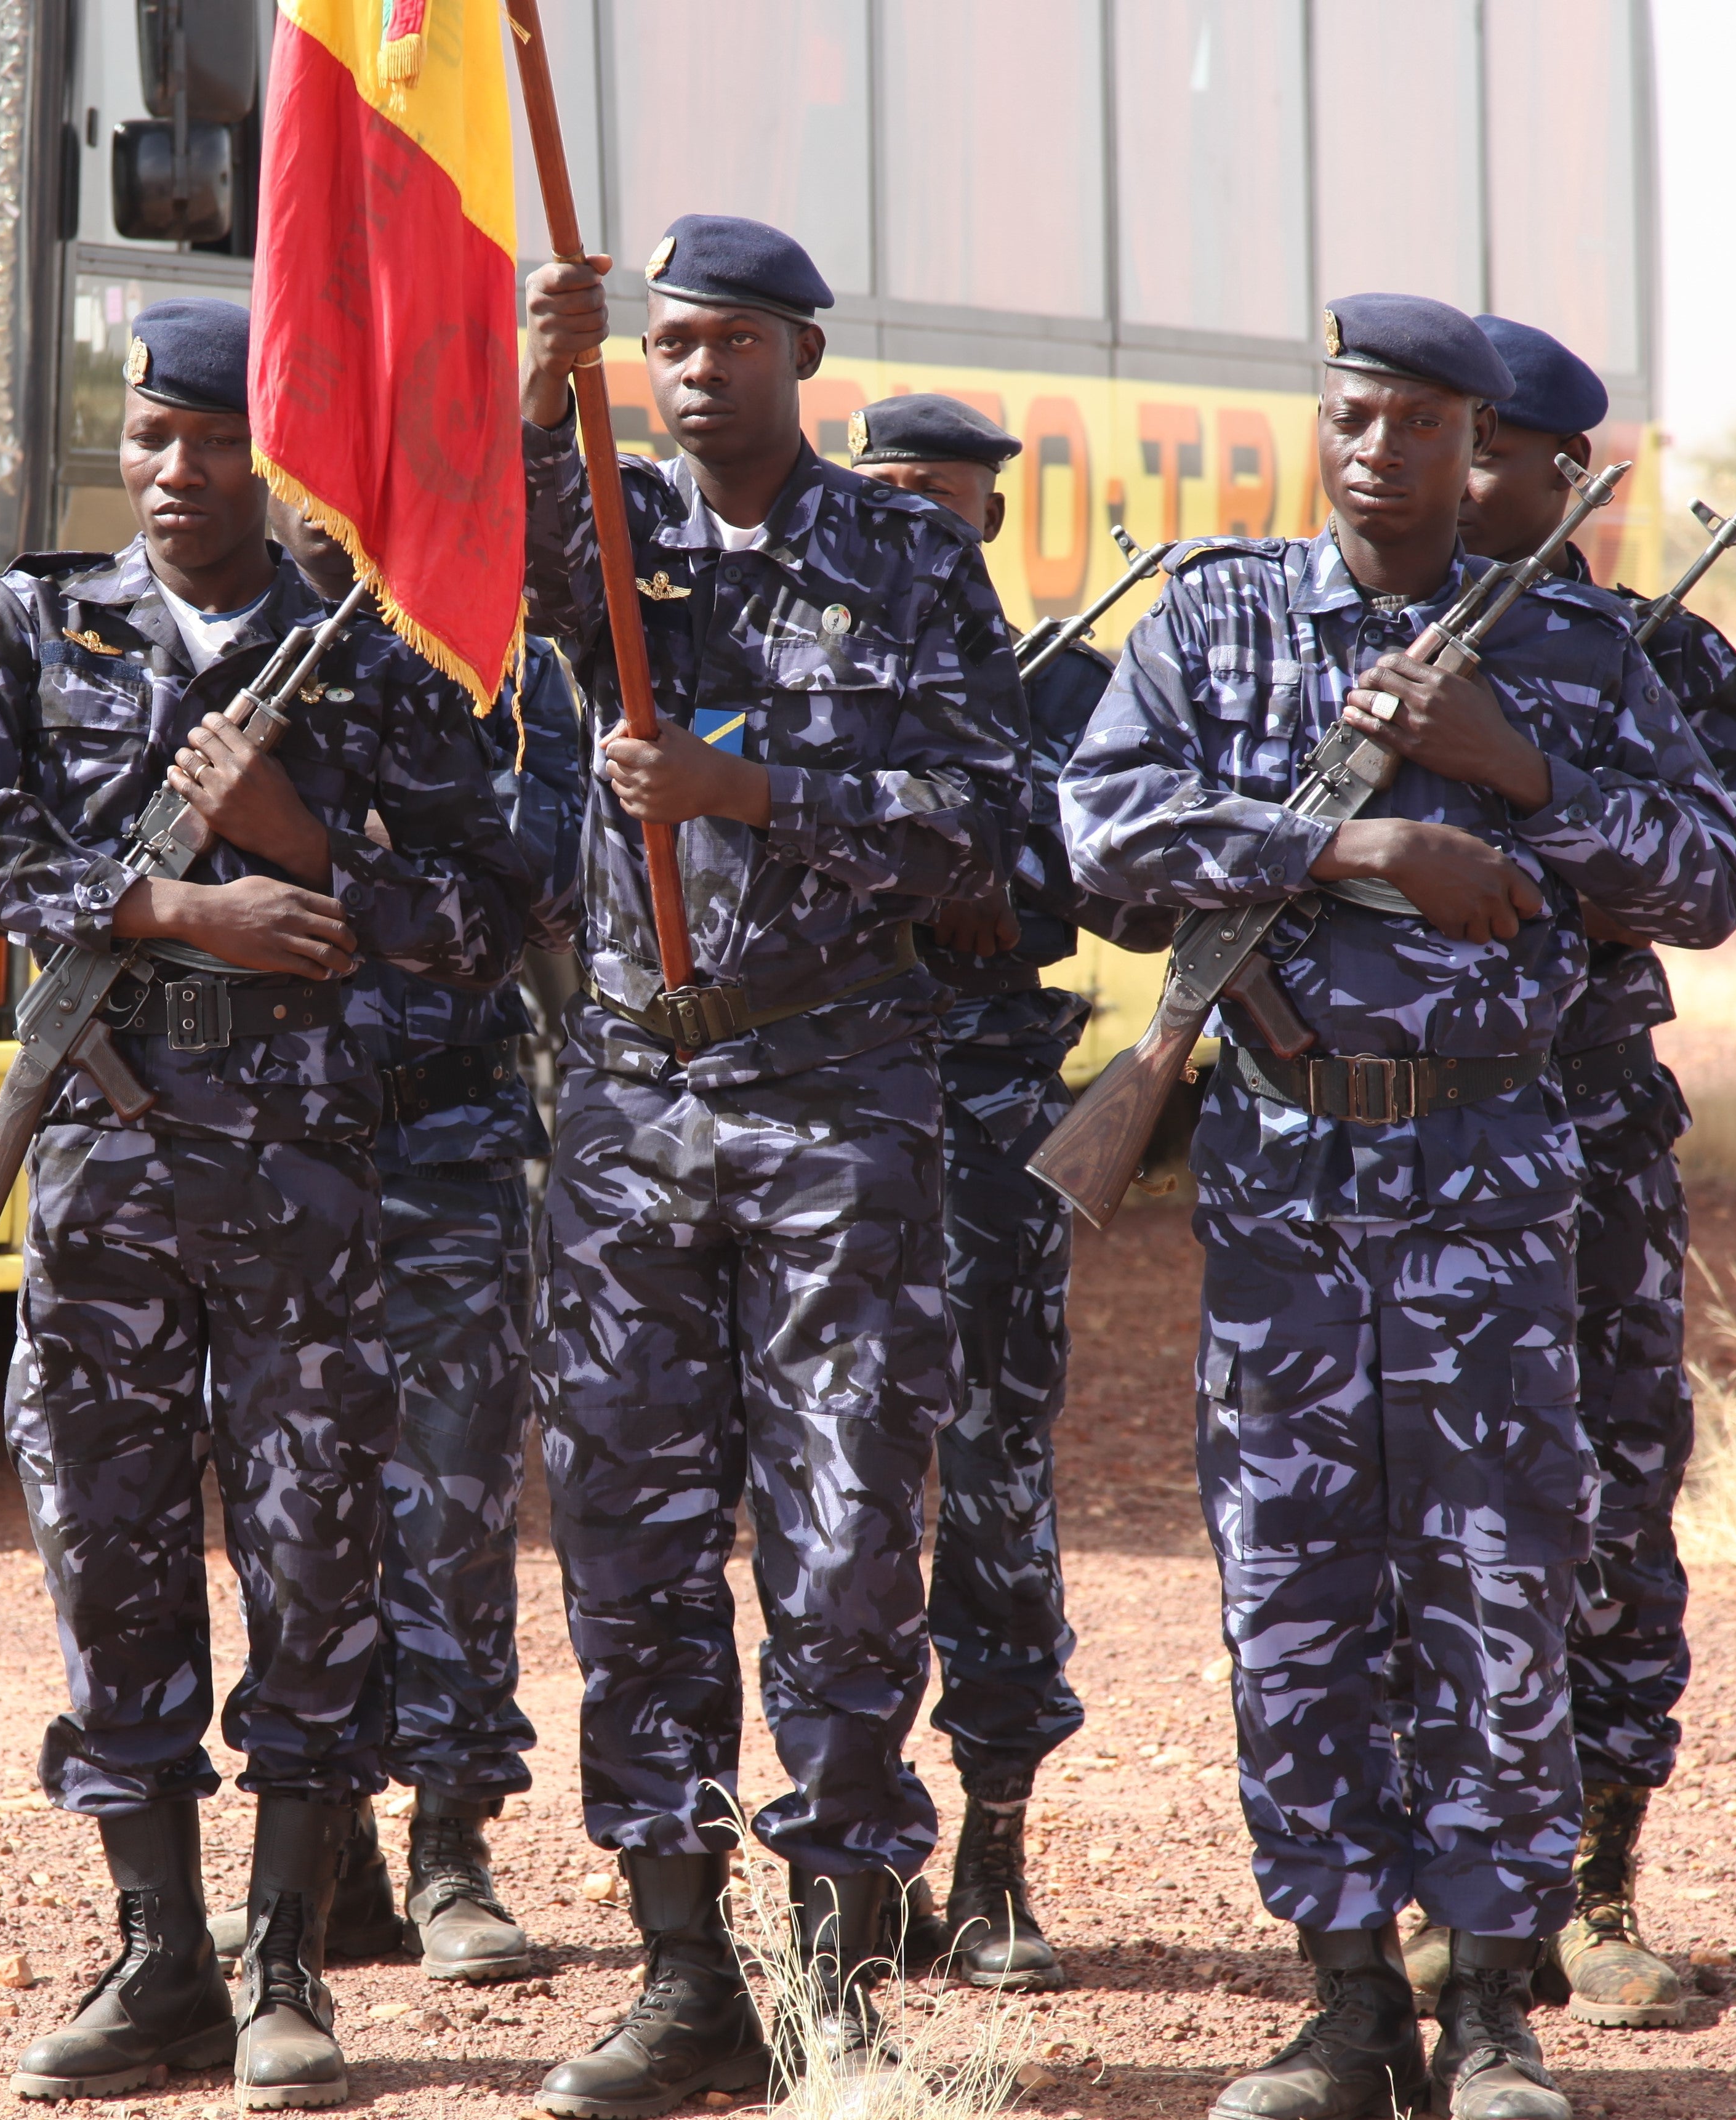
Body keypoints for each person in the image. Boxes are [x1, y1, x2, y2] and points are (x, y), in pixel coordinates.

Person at [1060, 292, 1736, 2120]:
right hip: (1283, 1180)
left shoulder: (1578, 651)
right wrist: (1351, 843)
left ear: (1474, 447)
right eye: (1352, 414)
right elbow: (1098, 833)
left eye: (1420, 425)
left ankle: (1495, 2012)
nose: (1379, 450)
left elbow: (1708, 874)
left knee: (1498, 1587)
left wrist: (1511, 768)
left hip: (1495, 1185)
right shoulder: (1211, 622)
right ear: (1326, 423)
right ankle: (1342, 1999)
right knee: (1292, 1588)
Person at [0, 298, 531, 2109]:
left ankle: (283, 1966)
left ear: (279, 457)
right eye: (150, 439)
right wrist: (172, 906)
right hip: (100, 1154)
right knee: (108, 1548)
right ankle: (157, 1956)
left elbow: (496, 913)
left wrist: (310, 855)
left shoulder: (370, 668)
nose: (175, 477)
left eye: (214, 444)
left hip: (311, 1175)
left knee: (319, 1559)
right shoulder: (29, 625)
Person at [516, 217, 1031, 2114]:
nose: (694, 367)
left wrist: (759, 795)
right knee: (634, 1555)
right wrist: (530, 377)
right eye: (666, 341)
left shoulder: (904, 556)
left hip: (838, 1104)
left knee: (835, 1553)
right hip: (634, 1118)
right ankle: (676, 1978)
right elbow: (473, 569)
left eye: (732, 338)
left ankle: (830, 1978)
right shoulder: (615, 537)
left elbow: (990, 834)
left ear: (803, 355)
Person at [1396, 315, 1736, 2031]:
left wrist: (1578, 819)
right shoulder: (1344, 636)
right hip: (1383, 1141)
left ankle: (1591, 1889)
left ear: (1560, 476)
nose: (1447, 475)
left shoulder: (1653, 652)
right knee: (1393, 1515)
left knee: (1598, 1508)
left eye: (1485, 452)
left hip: (1578, 1133)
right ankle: (1429, 1896)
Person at [196, 498, 585, 1986]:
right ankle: (325, 1859)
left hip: (439, 1137)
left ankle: (452, 1845)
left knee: (451, 1504)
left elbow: (529, 895)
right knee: (284, 1509)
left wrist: (313, 847)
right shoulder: (203, 652)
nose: (313, 497)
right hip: (257, 1148)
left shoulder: (499, 666)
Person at [846, 393, 1174, 1991]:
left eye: (944, 501)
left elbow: (1118, 890)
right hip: (824, 1107)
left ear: (986, 518)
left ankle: (991, 1851)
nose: (918, 523)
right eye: (886, 496)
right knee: (825, 1483)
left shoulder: (1065, 686)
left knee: (987, 1478)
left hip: (981, 1113)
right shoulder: (806, 677)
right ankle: (848, 1856)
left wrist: (1002, 875)